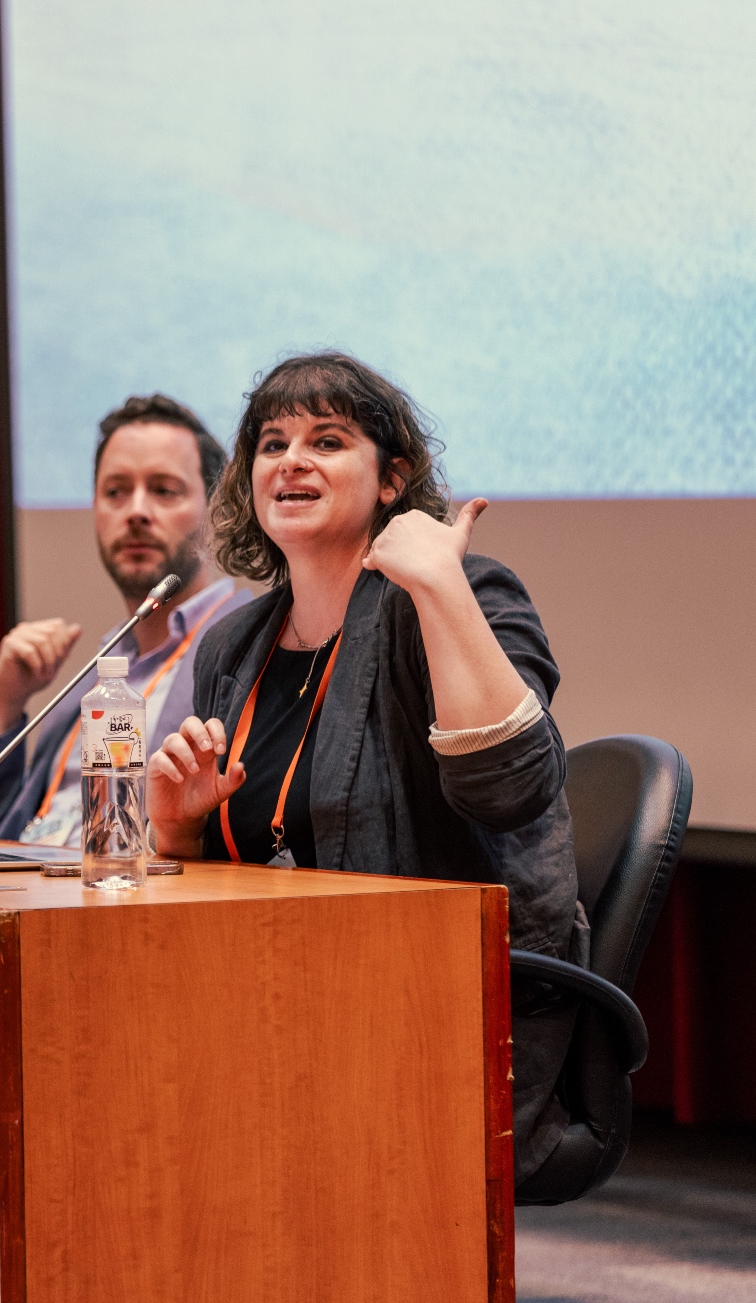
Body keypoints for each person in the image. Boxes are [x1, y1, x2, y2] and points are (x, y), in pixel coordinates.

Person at [143, 352, 586, 1185]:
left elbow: (514, 788)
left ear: (392, 481)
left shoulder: (462, 594)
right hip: (271, 997)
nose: (291, 461)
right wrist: (180, 829)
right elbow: (231, 883)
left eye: (327, 440)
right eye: (272, 443)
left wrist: (439, 584)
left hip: (432, 1009)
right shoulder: (233, 646)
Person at [0, 394, 254, 843]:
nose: (136, 512)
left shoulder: (251, 643)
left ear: (217, 509)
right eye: (115, 492)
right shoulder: (105, 667)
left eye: (164, 490)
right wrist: (3, 708)